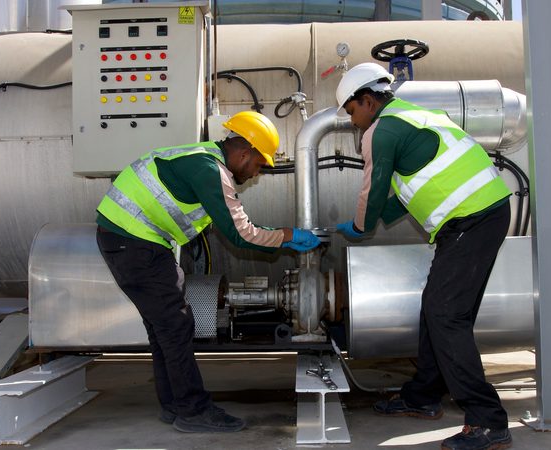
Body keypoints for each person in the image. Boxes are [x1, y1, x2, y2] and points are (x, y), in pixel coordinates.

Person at [95, 110, 321, 433]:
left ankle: (174, 405)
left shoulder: (203, 160)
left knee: (164, 326)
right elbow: (240, 233)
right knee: (175, 324)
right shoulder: (209, 169)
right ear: (245, 153)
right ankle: (193, 410)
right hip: (134, 241)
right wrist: (288, 236)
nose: (257, 173)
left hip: (129, 239)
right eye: (259, 164)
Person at [333, 63, 513, 450]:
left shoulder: (382, 131)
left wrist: (361, 227)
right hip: (476, 216)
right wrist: (380, 214)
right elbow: (410, 186)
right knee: (435, 310)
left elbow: (373, 188)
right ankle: (423, 397)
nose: (353, 121)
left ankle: (488, 421)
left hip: (472, 218)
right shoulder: (417, 116)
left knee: (446, 315)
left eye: (351, 112)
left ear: (367, 100)